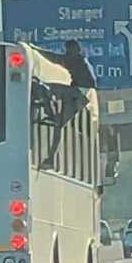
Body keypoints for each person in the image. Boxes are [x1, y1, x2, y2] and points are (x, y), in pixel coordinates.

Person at [41, 40, 98, 170]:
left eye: (67, 50)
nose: (66, 52)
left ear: (73, 49)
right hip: (82, 96)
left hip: (77, 93)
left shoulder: (76, 59)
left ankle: (49, 110)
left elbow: (54, 58)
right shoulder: (82, 60)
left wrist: (35, 49)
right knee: (59, 126)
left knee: (46, 86)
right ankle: (50, 159)